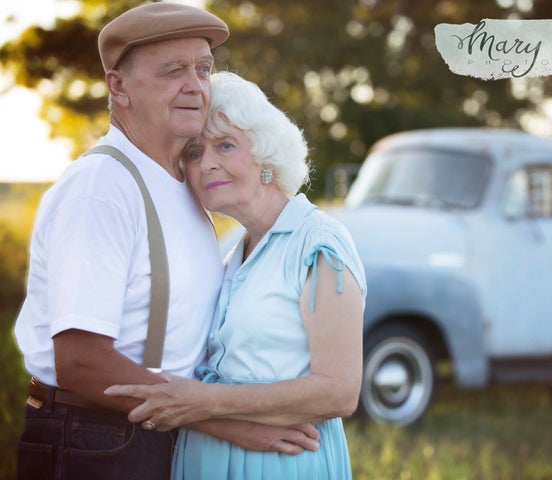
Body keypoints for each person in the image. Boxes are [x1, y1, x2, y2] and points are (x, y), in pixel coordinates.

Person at [14, 4, 318, 480]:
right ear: (118, 87)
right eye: (174, 71)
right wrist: (227, 423)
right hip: (96, 439)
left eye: (203, 69)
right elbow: (80, 361)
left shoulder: (181, 183)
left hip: (152, 431)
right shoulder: (103, 188)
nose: (196, 86)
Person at [105, 71, 368, 479]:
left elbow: (340, 390)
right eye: (193, 153)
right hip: (208, 458)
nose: (206, 163)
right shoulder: (235, 250)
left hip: (282, 461)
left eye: (225, 146)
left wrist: (204, 401)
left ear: (265, 156)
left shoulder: (317, 243)